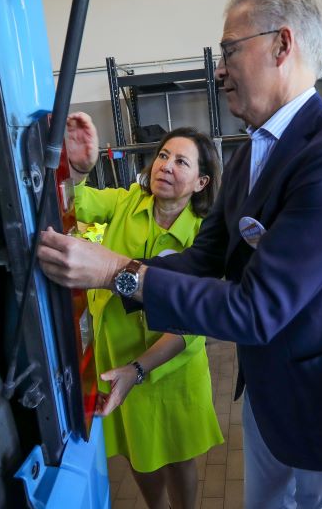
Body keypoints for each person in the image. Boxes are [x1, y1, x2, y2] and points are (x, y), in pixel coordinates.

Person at [39, 0, 322, 508]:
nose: (219, 69)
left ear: (282, 45)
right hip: (268, 400)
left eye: (231, 49)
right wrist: (109, 268)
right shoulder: (249, 159)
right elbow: (201, 261)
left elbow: (258, 309)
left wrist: (115, 270)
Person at [64, 113, 224, 509]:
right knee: (138, 452)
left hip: (172, 367)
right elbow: (77, 201)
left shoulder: (203, 235)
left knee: (178, 455)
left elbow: (191, 325)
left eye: (181, 162)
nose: (165, 166)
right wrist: (79, 171)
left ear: (202, 182)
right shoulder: (124, 203)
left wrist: (140, 369)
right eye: (163, 155)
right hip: (117, 356)